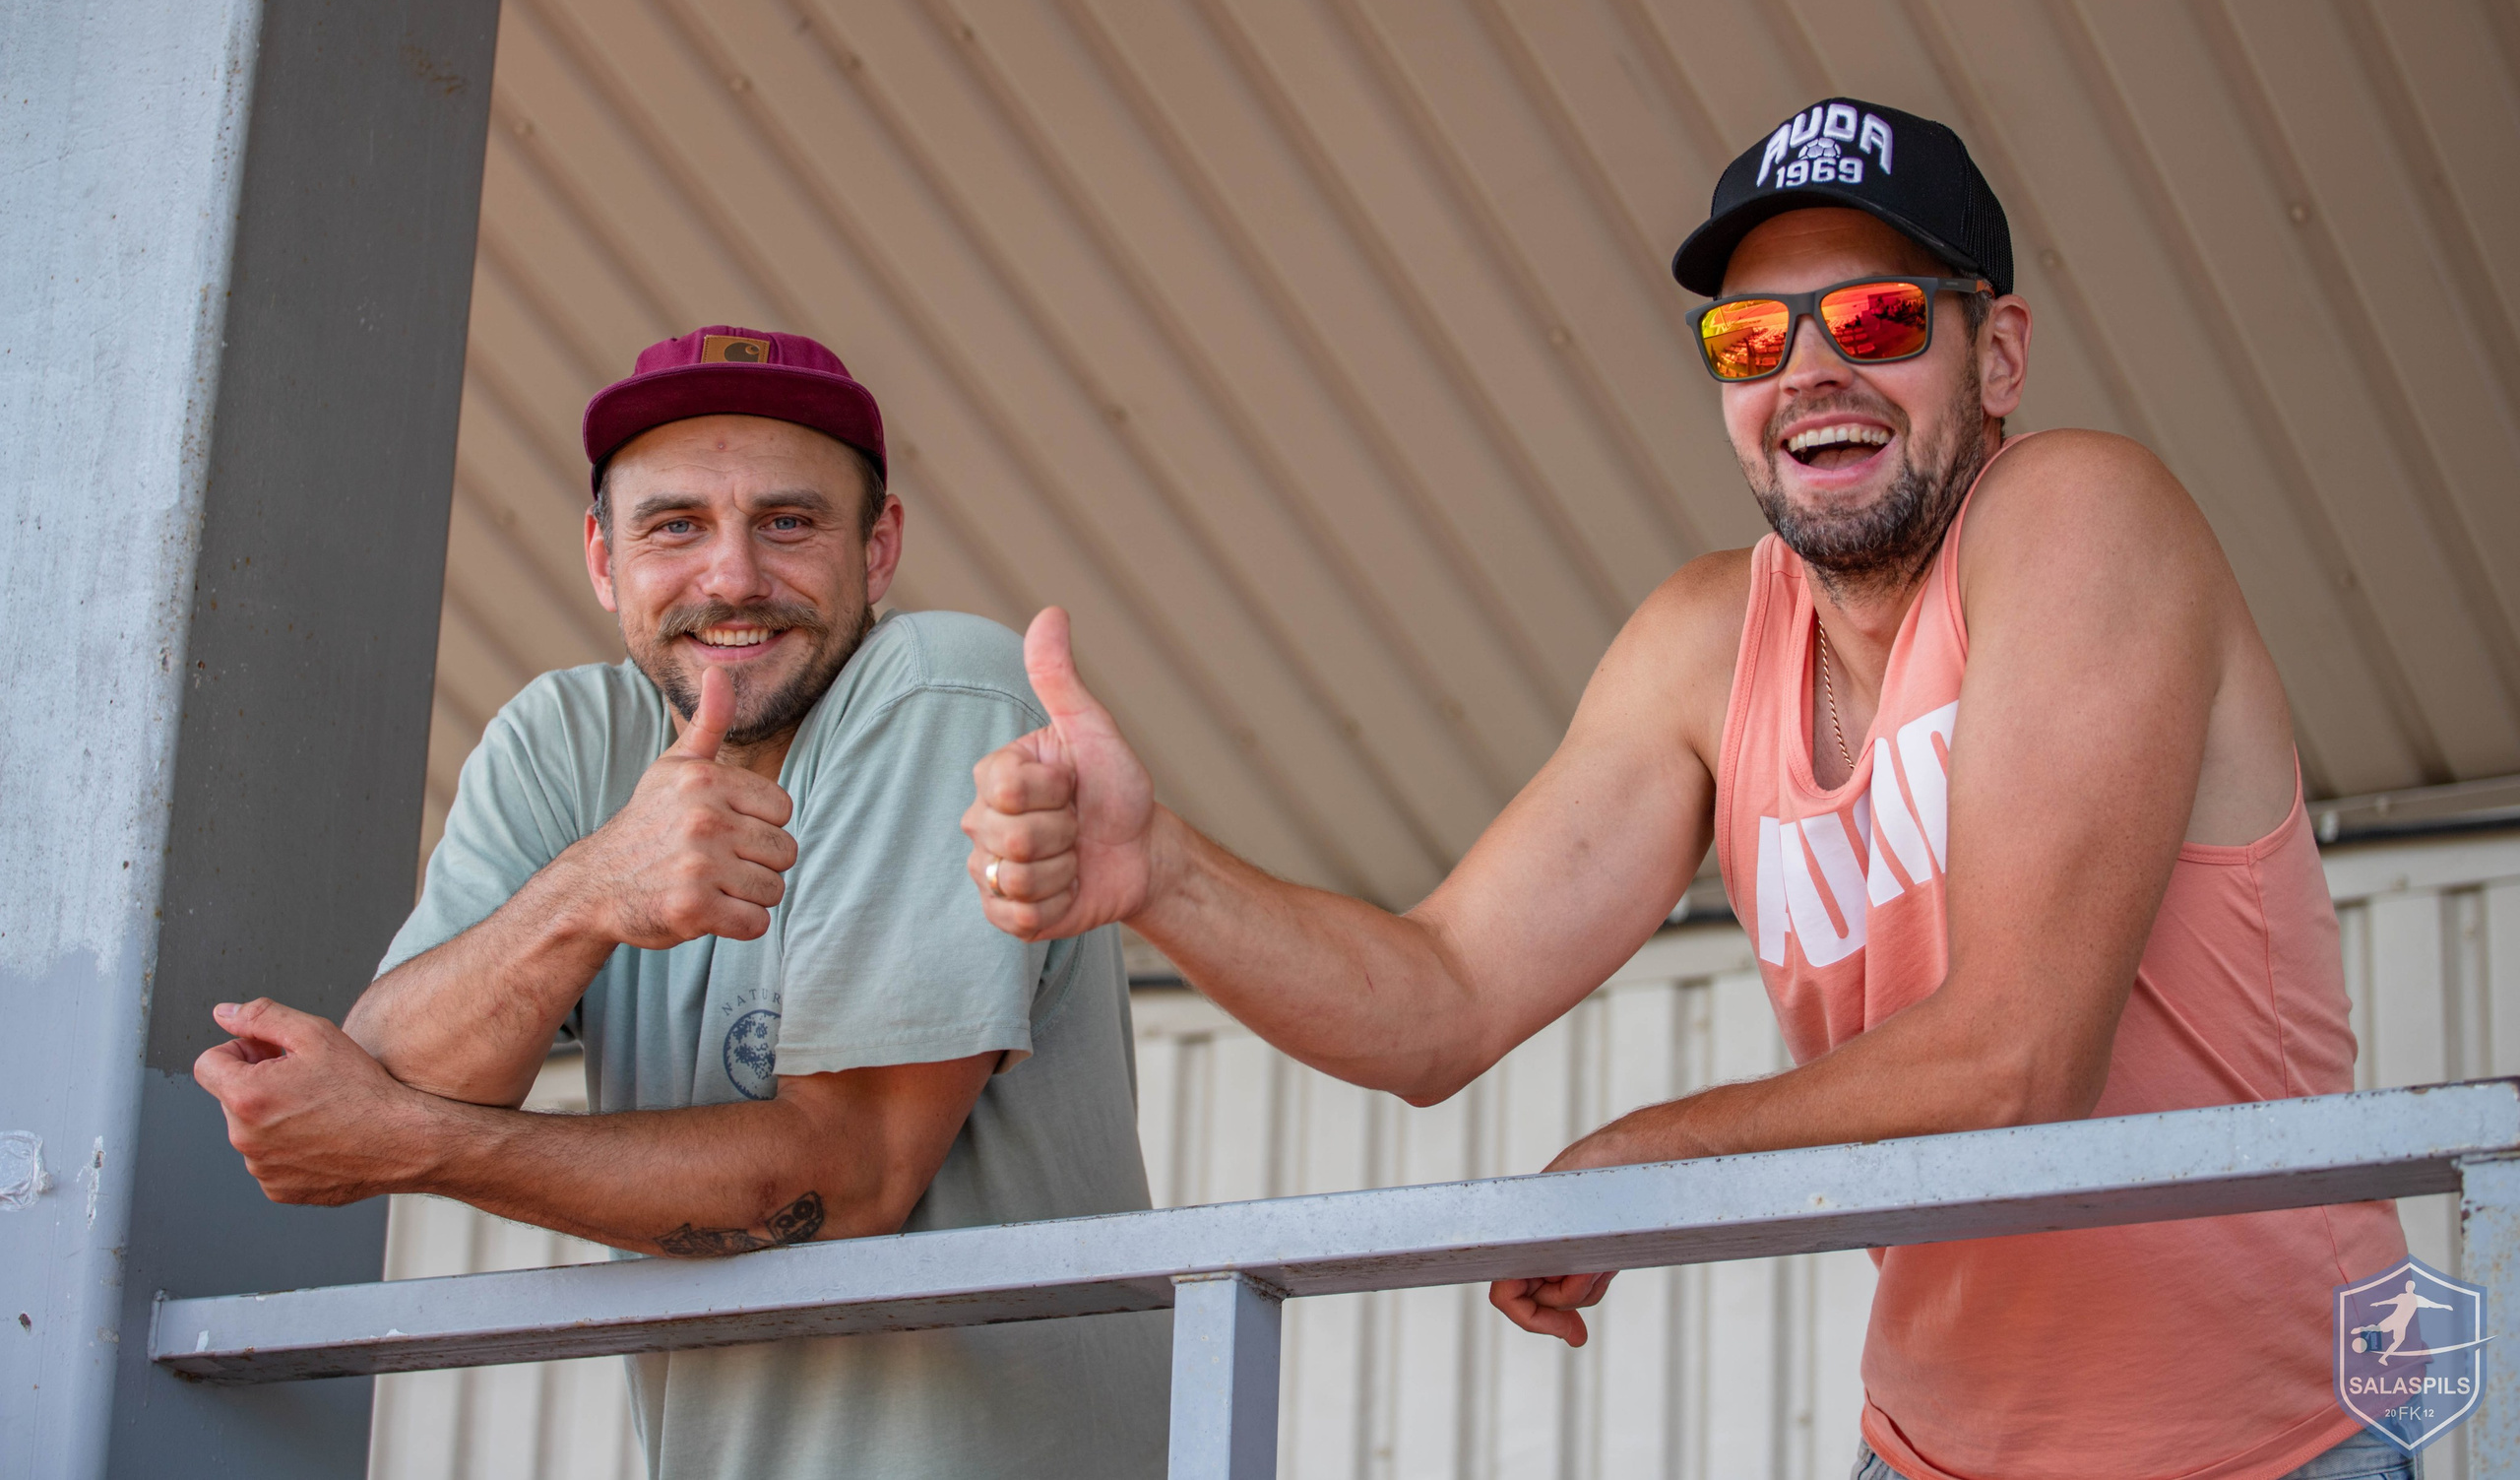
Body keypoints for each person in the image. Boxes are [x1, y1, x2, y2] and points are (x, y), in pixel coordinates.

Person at [962, 100, 2411, 1480]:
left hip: (2269, 1441)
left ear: (2002, 353)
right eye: (1748, 337)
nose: (1809, 372)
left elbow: (2016, 1061)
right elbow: (1440, 999)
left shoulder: (2082, 517)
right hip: (1932, 1444)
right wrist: (1162, 870)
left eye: (1879, 316)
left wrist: (1643, 1156)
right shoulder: (1705, 640)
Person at [193, 326, 1167, 1480]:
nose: (734, 577)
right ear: (604, 560)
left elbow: (849, 1177)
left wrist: (409, 1144)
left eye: (789, 522)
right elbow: (401, 1069)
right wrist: (588, 894)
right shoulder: (567, 738)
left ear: (881, 545)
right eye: (675, 527)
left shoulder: (946, 687)